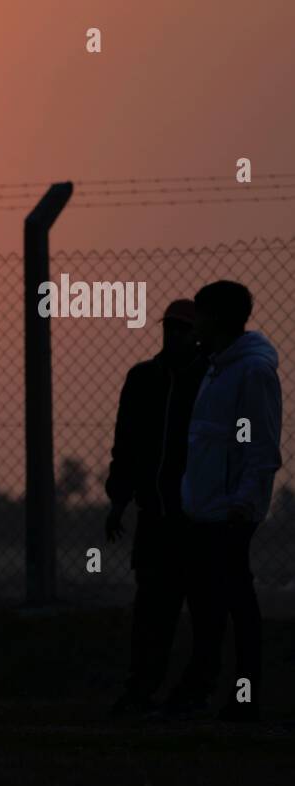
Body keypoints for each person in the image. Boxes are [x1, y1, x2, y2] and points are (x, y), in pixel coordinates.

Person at [164, 281, 282, 720]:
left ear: (219, 319)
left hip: (229, 513)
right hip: (205, 509)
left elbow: (261, 448)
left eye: (202, 315)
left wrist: (242, 506)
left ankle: (242, 697)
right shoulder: (218, 369)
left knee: (236, 608)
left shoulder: (250, 372)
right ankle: (203, 692)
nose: (195, 324)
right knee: (210, 609)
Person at [105, 299, 208, 716]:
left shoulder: (209, 380)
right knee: (151, 609)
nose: (174, 335)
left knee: (203, 611)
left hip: (197, 519)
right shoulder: (143, 379)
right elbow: (125, 443)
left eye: (183, 329)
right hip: (155, 515)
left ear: (197, 334)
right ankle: (141, 690)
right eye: (170, 327)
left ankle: (194, 693)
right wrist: (118, 500)